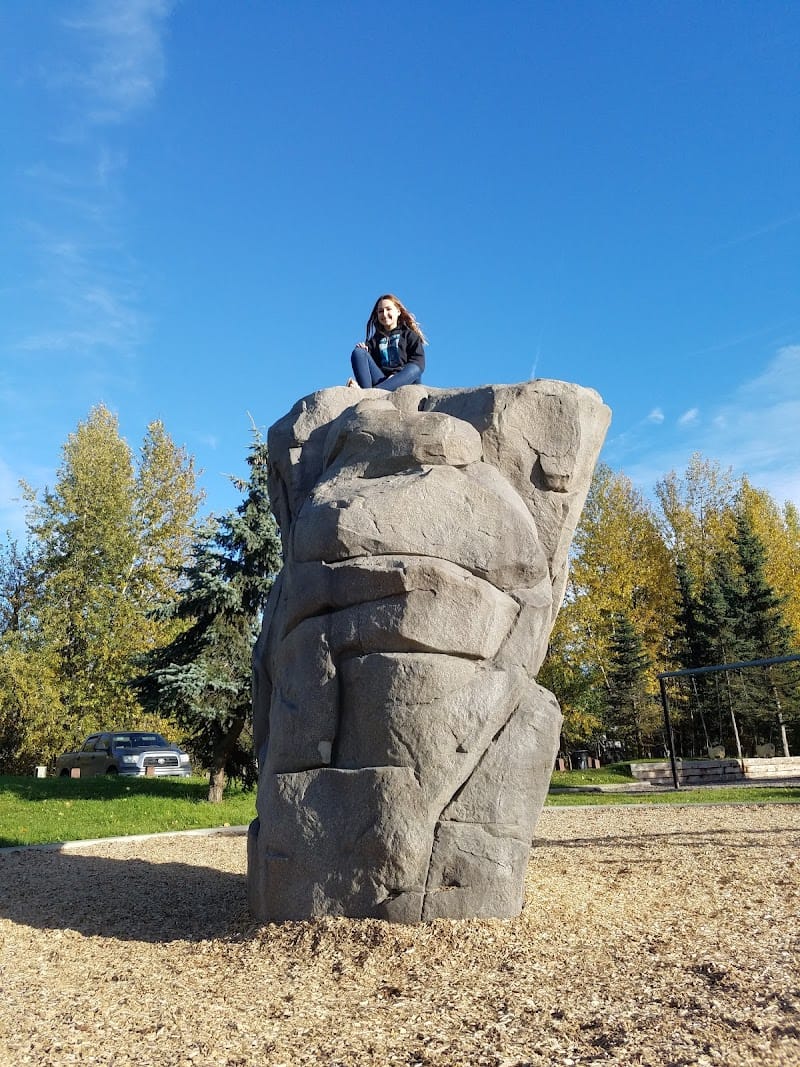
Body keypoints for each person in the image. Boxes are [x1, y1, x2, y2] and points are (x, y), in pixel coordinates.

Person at [348, 294, 427, 391]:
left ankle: (370, 393)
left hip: (404, 380)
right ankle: (369, 392)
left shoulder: (409, 335)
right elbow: (367, 365)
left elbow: (418, 363)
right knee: (358, 352)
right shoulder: (374, 341)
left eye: (388, 309)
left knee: (415, 368)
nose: (384, 314)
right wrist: (363, 349)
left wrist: (396, 376)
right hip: (382, 380)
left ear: (398, 311)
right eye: (380, 311)